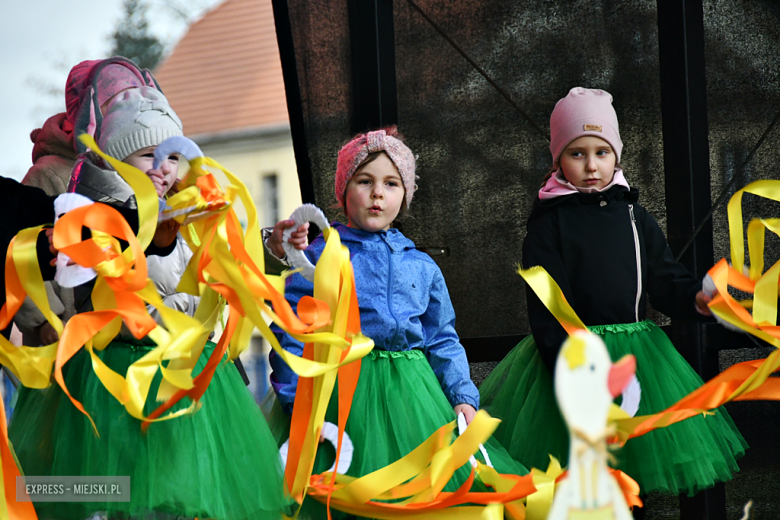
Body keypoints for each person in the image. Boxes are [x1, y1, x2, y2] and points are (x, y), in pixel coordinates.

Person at [8, 87, 288, 520]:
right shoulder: (101, 219)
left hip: (187, 375)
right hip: (116, 377)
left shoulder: (194, 217)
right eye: (146, 156)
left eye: (172, 157)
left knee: (187, 486)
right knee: (117, 486)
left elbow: (227, 272)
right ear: (116, 163)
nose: (161, 168)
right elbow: (105, 289)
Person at [478, 87, 747, 497]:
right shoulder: (548, 224)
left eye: (601, 152)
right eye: (577, 153)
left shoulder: (634, 216)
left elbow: (663, 277)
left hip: (638, 361)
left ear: (616, 156)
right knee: (581, 486)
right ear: (558, 160)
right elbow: (548, 306)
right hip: (575, 358)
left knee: (633, 476)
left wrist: (696, 298)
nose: (590, 165)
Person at [266, 127, 526, 519]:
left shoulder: (421, 265)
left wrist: (462, 395)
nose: (377, 193)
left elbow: (441, 338)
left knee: (420, 496)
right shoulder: (320, 258)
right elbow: (293, 332)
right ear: (342, 190)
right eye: (364, 181)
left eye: (391, 183)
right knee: (346, 497)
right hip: (342, 398)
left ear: (405, 195)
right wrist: (295, 400)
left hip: (414, 401)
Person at [16, 57, 162, 346]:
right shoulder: (50, 174)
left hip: (137, 335)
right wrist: (47, 320)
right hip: (76, 342)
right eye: (114, 105)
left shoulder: (146, 170)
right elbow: (22, 249)